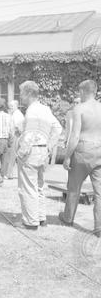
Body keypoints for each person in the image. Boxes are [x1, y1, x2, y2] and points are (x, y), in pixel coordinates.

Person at [16, 81, 62, 230]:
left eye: (21, 93)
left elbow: (29, 135)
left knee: (28, 187)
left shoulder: (31, 110)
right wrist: (49, 146)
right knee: (39, 186)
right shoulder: (45, 109)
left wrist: (21, 153)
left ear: (29, 93)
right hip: (42, 151)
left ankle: (30, 222)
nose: (20, 96)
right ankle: (41, 218)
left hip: (31, 152)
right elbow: (58, 128)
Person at [59, 80, 101, 237]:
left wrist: (67, 157)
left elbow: (75, 136)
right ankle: (99, 227)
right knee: (99, 193)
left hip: (83, 150)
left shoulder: (80, 108)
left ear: (83, 91)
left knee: (74, 188)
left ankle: (68, 218)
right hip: (99, 150)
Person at [0, 98, 13, 180]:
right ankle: (2, 176)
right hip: (5, 140)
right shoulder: (8, 117)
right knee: (5, 160)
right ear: (4, 106)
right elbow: (11, 130)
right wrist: (10, 141)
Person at [5, 100, 25, 179]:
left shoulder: (17, 114)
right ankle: (10, 174)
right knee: (15, 156)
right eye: (10, 106)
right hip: (17, 136)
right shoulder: (15, 114)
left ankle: (9, 174)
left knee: (12, 156)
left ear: (16, 106)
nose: (10, 108)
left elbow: (19, 127)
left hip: (16, 136)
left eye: (12, 106)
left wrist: (15, 136)